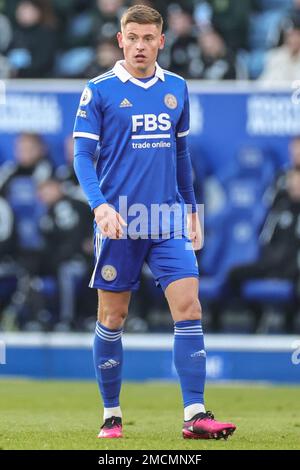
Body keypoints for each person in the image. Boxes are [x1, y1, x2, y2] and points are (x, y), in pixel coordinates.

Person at [73, 4, 236, 440]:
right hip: (120, 221)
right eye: (133, 37)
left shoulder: (177, 89)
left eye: (149, 38)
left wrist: (190, 207)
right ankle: (111, 413)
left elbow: (180, 155)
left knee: (189, 307)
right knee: (113, 316)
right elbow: (81, 156)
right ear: (120, 40)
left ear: (161, 41)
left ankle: (196, 415)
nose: (141, 46)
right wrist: (99, 206)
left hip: (165, 218)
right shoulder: (99, 90)